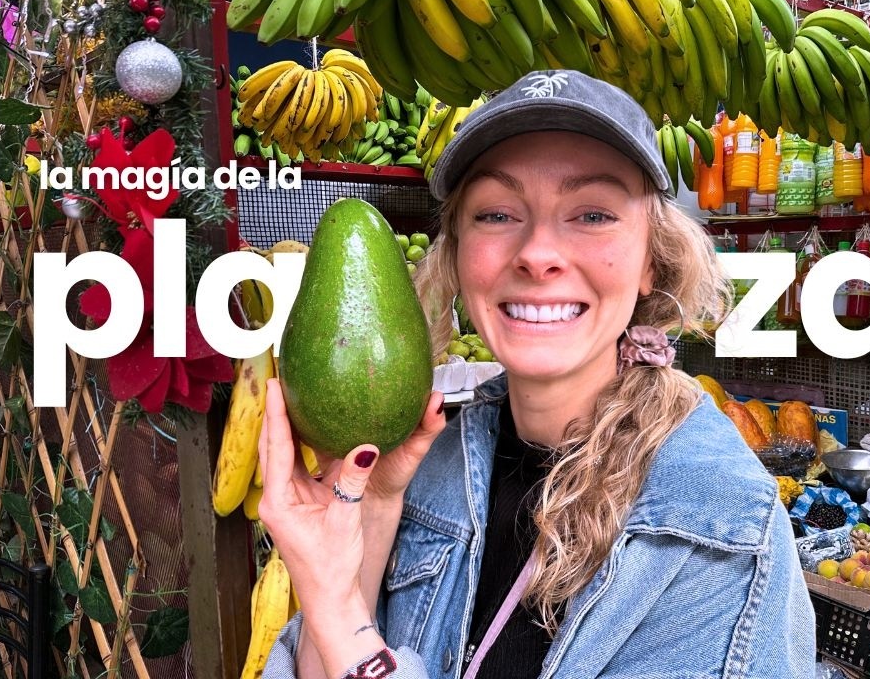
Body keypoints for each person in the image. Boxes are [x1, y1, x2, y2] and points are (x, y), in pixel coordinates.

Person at [258, 70, 816, 679]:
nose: (538, 253)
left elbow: (346, 641)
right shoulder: (425, 467)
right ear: (457, 255)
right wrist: (368, 513)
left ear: (651, 261)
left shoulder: (720, 522)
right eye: (497, 213)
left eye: (593, 214)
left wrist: (337, 611)